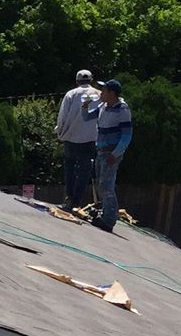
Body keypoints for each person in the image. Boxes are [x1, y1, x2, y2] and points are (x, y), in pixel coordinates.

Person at [81, 79, 133, 232]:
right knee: (100, 184)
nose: (101, 93)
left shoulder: (122, 109)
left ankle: (109, 220)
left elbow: (127, 135)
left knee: (107, 186)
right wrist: (84, 107)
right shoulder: (103, 106)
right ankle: (104, 214)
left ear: (112, 93)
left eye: (104, 90)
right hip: (101, 151)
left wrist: (117, 153)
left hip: (111, 152)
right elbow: (87, 117)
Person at [55, 68, 101, 207]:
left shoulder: (71, 94)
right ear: (91, 80)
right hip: (90, 138)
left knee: (69, 168)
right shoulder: (99, 94)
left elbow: (62, 116)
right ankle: (77, 201)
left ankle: (69, 197)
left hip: (71, 137)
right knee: (84, 171)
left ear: (77, 81)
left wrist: (59, 132)